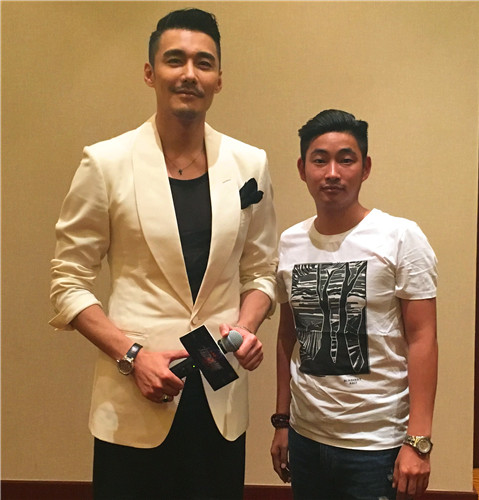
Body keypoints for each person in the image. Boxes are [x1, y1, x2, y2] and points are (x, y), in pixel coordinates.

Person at [50, 8, 277, 500]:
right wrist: (132, 356)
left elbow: (262, 271)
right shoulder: (106, 163)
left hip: (220, 394)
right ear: (150, 73)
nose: (189, 73)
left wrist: (247, 326)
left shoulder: (249, 163)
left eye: (203, 62)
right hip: (135, 394)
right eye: (175, 60)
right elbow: (68, 282)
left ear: (219, 79)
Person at [270, 109, 438, 500]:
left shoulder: (400, 236)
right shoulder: (290, 242)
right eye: (320, 160)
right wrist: (281, 420)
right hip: (306, 437)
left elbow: (423, 339)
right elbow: (288, 336)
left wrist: (418, 441)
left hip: (377, 445)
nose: (332, 172)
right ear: (302, 169)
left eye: (346, 160)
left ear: (365, 168)